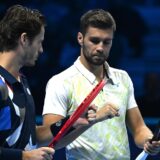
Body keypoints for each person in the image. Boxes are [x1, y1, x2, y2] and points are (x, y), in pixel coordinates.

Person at [42, 9, 160, 160]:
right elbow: (52, 141)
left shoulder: (122, 78)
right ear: (80, 38)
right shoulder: (60, 82)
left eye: (106, 42)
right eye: (94, 40)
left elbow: (139, 129)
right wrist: (94, 119)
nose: (100, 48)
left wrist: (148, 141)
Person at [0, 5, 55, 160]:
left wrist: (74, 122)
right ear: (24, 39)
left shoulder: (21, 81)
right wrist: (24, 156)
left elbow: (30, 135)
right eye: (39, 42)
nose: (41, 50)